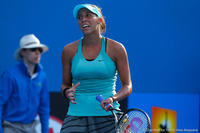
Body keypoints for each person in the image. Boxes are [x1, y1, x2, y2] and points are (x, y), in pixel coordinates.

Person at [60, 4, 132, 133]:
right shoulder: (68, 50)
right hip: (76, 116)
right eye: (80, 17)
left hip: (108, 115)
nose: (83, 19)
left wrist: (112, 98)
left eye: (88, 15)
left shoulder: (117, 49)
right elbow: (65, 84)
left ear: (100, 20)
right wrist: (66, 92)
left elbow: (127, 86)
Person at [0, 34, 50, 133]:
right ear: (23, 52)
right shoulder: (10, 75)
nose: (37, 53)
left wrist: (45, 131)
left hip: (31, 127)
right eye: (33, 49)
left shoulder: (42, 76)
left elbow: (44, 107)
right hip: (10, 127)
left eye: (39, 50)